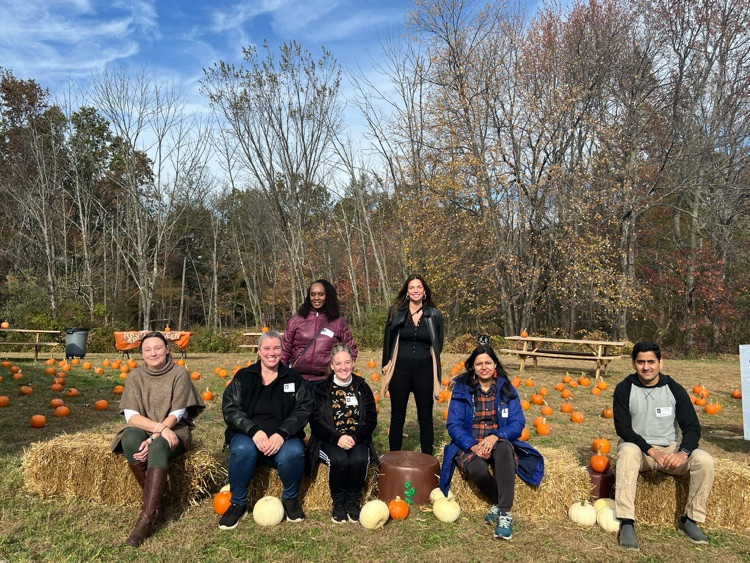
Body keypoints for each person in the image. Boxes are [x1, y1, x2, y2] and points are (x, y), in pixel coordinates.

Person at [613, 340, 715, 550]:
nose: (646, 367)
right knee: (627, 451)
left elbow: (692, 427)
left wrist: (683, 453)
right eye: (641, 362)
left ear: (661, 363)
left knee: (704, 460)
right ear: (633, 363)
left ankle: (690, 519)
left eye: (651, 361)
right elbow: (623, 429)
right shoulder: (624, 388)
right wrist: (652, 452)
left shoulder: (674, 389)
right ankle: (626, 521)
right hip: (640, 450)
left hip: (670, 452)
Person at [438, 344, 544, 540]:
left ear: (495, 364)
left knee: (504, 450)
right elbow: (454, 425)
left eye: (488, 362)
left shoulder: (506, 388)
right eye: (479, 363)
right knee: (476, 468)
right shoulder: (462, 390)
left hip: (497, 439)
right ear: (473, 366)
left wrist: (496, 436)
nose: (484, 367)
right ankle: (496, 499)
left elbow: (518, 422)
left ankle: (504, 512)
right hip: (470, 442)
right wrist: (472, 445)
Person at [110, 332, 205, 547]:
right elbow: (131, 417)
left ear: (167, 349)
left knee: (159, 447)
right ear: (142, 354)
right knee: (130, 437)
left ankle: (144, 520)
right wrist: (157, 429)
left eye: (158, 348)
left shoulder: (179, 373)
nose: (153, 353)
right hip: (148, 426)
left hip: (175, 429)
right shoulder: (135, 376)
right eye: (147, 350)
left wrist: (155, 437)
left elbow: (178, 414)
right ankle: (157, 507)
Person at [220, 331, 312, 530]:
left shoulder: (293, 378)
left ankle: (289, 500)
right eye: (267, 348)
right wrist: (253, 430)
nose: (272, 353)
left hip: (283, 438)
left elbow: (303, 408)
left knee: (295, 452)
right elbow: (230, 408)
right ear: (259, 351)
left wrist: (282, 433)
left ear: (282, 350)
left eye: (276, 348)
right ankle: (238, 503)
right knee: (242, 450)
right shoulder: (244, 377)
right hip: (248, 436)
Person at [307, 344, 378, 523]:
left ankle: (352, 501)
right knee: (339, 459)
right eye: (338, 363)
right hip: (329, 439)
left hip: (356, 438)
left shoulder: (362, 387)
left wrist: (354, 437)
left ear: (353, 363)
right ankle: (339, 502)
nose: (343, 367)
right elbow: (316, 421)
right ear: (331, 365)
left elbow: (370, 419)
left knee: (360, 458)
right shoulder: (321, 389)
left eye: (347, 362)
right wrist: (337, 438)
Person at [381, 274, 443, 455]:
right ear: (407, 292)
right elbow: (388, 341)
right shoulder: (397, 312)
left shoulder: (434, 314)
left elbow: (438, 342)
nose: (415, 290)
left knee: (425, 418)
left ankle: (427, 460)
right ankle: (393, 457)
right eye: (412, 288)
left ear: (424, 291)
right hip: (400, 369)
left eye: (419, 287)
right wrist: (386, 366)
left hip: (424, 370)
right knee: (397, 417)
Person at [282, 279, 358, 390]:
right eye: (313, 294)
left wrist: (343, 370)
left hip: (325, 381)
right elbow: (285, 349)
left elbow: (352, 349)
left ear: (328, 296)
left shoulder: (337, 322)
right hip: (297, 380)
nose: (316, 298)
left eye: (321, 294)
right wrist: (282, 372)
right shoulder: (297, 319)